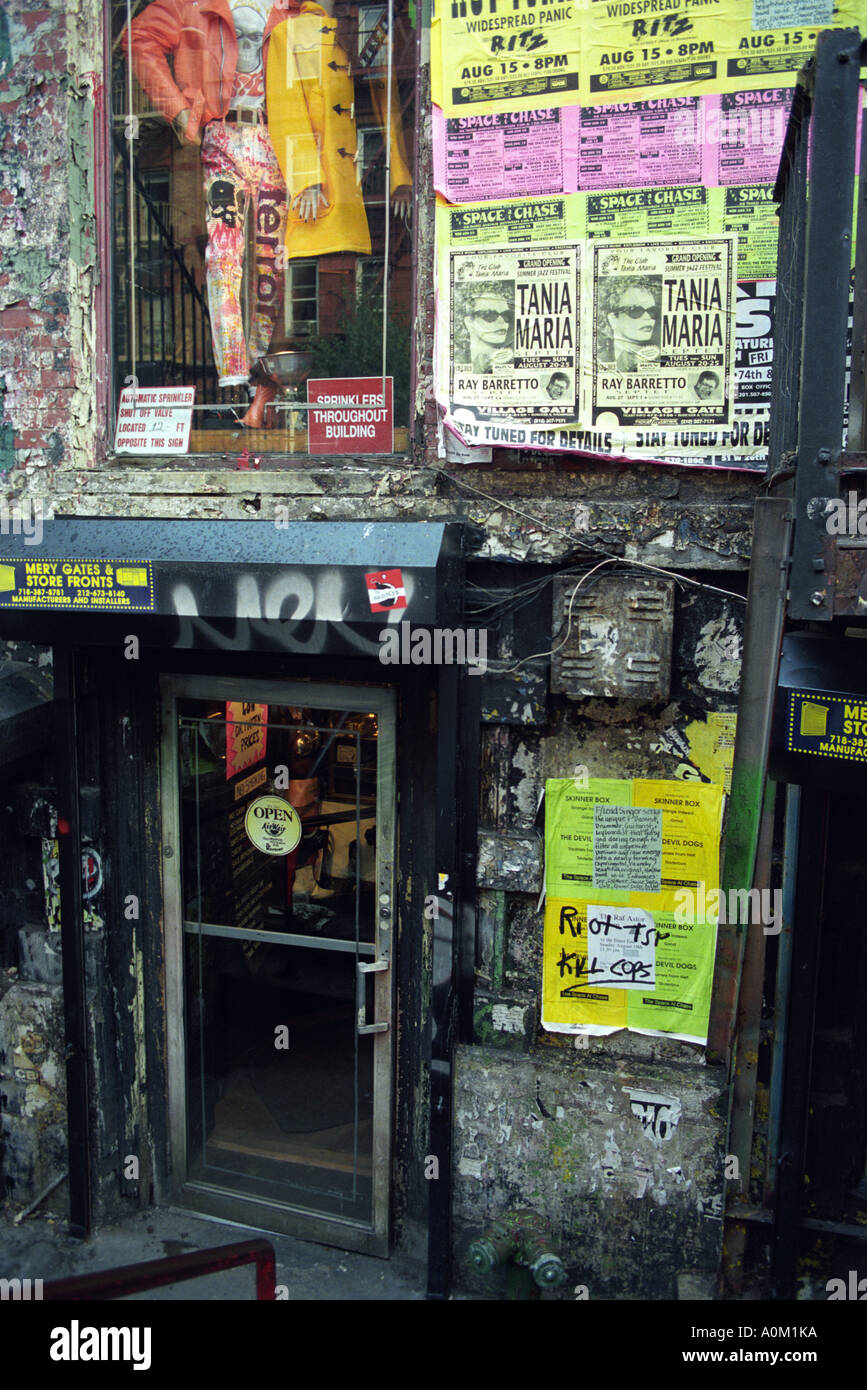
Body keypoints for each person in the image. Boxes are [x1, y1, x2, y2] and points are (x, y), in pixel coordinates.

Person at [124, 1, 292, 427]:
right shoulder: (191, 3)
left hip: (278, 141)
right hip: (222, 139)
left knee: (270, 261)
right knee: (223, 257)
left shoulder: (292, 7)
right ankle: (235, 370)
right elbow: (139, 39)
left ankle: (262, 382)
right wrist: (179, 110)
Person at [597, 276, 661, 372]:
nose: (648, 317)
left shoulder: (660, 360)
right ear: (613, 319)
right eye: (636, 311)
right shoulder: (597, 359)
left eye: (652, 311)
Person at [455, 283, 514, 374]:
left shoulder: (512, 363)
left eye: (506, 315)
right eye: (489, 315)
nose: (502, 321)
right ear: (469, 322)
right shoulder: (455, 360)